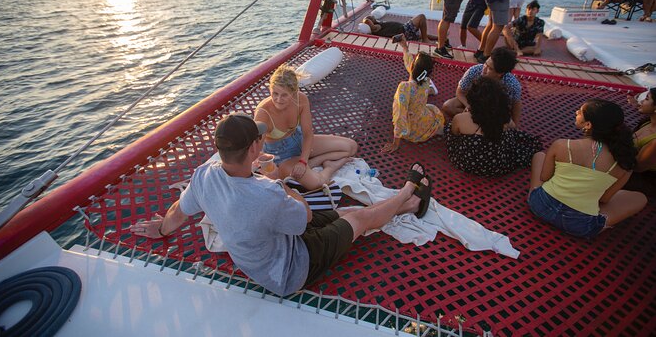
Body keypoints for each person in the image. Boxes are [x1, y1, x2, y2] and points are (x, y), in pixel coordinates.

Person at [130, 112, 432, 296]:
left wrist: (161, 229)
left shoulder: (203, 177)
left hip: (267, 251)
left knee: (343, 213)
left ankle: (405, 206)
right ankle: (406, 193)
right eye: (259, 139)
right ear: (253, 149)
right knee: (358, 220)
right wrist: (278, 181)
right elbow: (305, 215)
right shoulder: (267, 193)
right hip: (292, 271)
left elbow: (177, 212)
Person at [528, 99, 647, 239]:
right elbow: (604, 199)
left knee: (539, 156)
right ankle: (590, 214)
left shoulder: (561, 145)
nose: (576, 112)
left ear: (588, 124)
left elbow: (545, 177)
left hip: (540, 206)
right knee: (640, 198)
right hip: (580, 225)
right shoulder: (625, 164)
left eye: (580, 111)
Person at [254, 65, 358, 191]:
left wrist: (303, 161)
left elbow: (308, 134)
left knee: (351, 147)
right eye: (274, 93)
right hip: (281, 156)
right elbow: (256, 149)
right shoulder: (263, 113)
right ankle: (329, 166)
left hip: (300, 140)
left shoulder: (301, 99)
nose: (278, 99)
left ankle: (311, 161)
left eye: (284, 95)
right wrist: (266, 163)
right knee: (316, 184)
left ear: (294, 92)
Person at [444, 77, 542, 176]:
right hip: (497, 167)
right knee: (512, 135)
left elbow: (454, 133)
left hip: (466, 163)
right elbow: (513, 127)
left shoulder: (461, 118)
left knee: (449, 128)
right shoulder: (503, 118)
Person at [381, 37, 445, 153]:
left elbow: (400, 114)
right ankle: (440, 130)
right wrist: (405, 47)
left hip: (409, 131)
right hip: (422, 123)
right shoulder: (425, 80)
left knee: (404, 109)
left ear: (413, 67)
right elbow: (412, 66)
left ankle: (432, 92)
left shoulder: (405, 87)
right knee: (434, 110)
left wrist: (396, 143)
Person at [442, 47, 522, 127]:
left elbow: (516, 104)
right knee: (448, 106)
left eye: (490, 68)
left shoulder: (512, 84)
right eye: (485, 64)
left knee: (508, 125)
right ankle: (480, 122)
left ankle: (476, 122)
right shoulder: (475, 70)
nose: (484, 69)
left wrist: (516, 126)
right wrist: (469, 106)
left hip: (494, 107)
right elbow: (460, 92)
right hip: (474, 101)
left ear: (500, 73)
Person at [626, 88, 656, 190]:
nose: (642, 101)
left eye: (647, 99)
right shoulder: (648, 122)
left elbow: (638, 168)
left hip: (643, 178)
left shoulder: (654, 142)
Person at [361, 13, 437, 43]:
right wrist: (365, 19)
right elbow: (367, 21)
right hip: (404, 30)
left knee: (422, 34)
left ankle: (439, 38)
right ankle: (425, 40)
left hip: (405, 33)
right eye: (371, 17)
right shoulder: (376, 27)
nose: (372, 16)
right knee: (421, 17)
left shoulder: (378, 24)